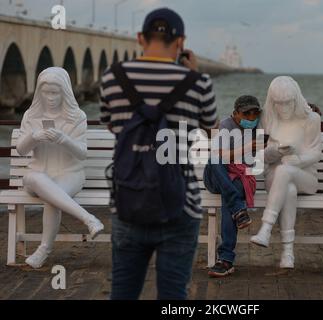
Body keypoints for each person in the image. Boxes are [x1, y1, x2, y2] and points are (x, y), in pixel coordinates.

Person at [100, 8, 218, 299]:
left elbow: (113, 125)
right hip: (180, 204)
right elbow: (212, 128)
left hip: (129, 202)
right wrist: (192, 73)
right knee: (174, 297)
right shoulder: (199, 84)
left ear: (141, 38)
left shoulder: (113, 79)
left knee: (123, 292)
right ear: (181, 43)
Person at [16, 67, 104, 269]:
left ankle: (43, 250)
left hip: (69, 173)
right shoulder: (31, 115)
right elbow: (21, 150)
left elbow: (82, 153)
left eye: (55, 92)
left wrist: (64, 140)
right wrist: (34, 137)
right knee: (38, 180)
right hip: (37, 174)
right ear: (39, 92)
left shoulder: (77, 117)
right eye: (46, 92)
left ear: (64, 92)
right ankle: (88, 219)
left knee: (52, 199)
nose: (51, 97)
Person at [250, 76, 321, 269]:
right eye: (278, 104)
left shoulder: (311, 119)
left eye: (287, 103)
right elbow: (259, 156)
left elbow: (315, 153)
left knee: (285, 171)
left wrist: (298, 160)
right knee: (287, 188)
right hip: (276, 178)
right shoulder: (267, 118)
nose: (284, 108)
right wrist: (275, 152)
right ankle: (287, 253)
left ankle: (266, 227)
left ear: (296, 99)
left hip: (305, 177)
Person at [205, 95, 261, 277]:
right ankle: (239, 208)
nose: (251, 118)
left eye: (255, 113)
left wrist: (311, 110)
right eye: (246, 114)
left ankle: (226, 260)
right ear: (236, 113)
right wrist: (248, 147)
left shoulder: (260, 126)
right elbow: (219, 156)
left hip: (241, 179)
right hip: (216, 176)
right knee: (215, 159)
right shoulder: (226, 125)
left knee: (230, 194)